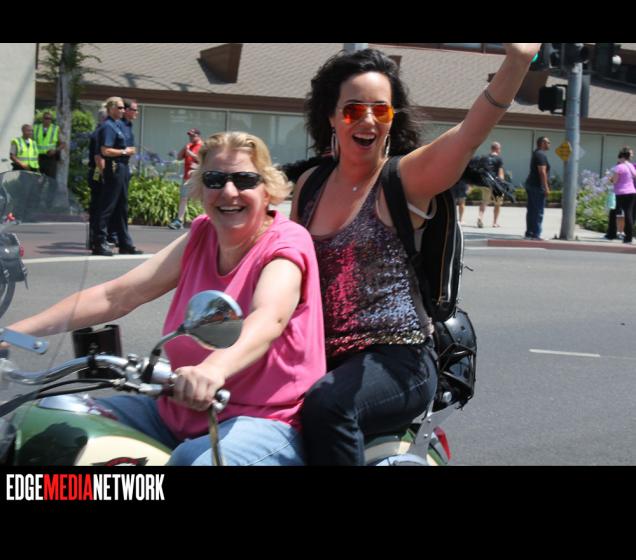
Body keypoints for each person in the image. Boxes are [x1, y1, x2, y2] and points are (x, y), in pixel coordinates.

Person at [5, 131, 326, 466]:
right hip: (174, 413)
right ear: (201, 187)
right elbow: (118, 295)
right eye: (215, 180)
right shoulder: (202, 234)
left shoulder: (286, 242)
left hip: (263, 421)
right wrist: (12, 334)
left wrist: (213, 369)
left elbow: (269, 318)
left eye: (245, 179)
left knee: (192, 461)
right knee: (54, 423)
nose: (229, 192)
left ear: (267, 188)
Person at [290, 44, 540, 465]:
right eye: (353, 110)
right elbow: (286, 272)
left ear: (393, 118)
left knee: (328, 407)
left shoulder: (405, 179)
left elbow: (470, 132)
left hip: (398, 359)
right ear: (331, 116)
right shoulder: (310, 185)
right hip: (321, 354)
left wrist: (517, 60)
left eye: (380, 110)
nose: (368, 119)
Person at [93, 97, 140, 256]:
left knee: (122, 207)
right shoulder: (108, 126)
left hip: (123, 167)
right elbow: (105, 151)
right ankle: (99, 242)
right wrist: (125, 151)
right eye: (119, 108)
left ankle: (125, 243)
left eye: (123, 108)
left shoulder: (117, 125)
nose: (122, 110)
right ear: (111, 108)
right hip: (114, 166)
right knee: (107, 206)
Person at [169, 128, 203, 230]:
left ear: (198, 136)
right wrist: (184, 148)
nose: (190, 138)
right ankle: (179, 221)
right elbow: (179, 157)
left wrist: (191, 154)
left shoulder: (203, 146)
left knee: (200, 199)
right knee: (183, 198)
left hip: (197, 177)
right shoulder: (189, 146)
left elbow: (203, 160)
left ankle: (202, 221)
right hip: (186, 177)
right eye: (189, 136)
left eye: (193, 136)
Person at [524, 136, 551, 240]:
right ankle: (536, 234)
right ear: (542, 143)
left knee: (531, 210)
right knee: (538, 211)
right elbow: (542, 172)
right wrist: (546, 187)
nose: (549, 144)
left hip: (531, 184)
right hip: (537, 186)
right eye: (548, 142)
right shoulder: (541, 155)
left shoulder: (536, 153)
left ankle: (529, 233)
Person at [607, 147, 636, 244]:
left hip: (621, 193)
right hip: (632, 192)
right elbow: (634, 176)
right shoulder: (631, 166)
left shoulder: (619, 167)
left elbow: (615, 181)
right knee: (629, 214)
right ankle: (629, 237)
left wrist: (610, 178)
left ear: (621, 156)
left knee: (616, 212)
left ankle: (612, 233)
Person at [475, 141, 505, 228]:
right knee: (497, 203)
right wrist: (502, 183)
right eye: (500, 149)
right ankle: (494, 223)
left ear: (491, 148)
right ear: (497, 149)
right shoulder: (499, 159)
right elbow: (500, 173)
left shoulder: (484, 158)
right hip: (495, 183)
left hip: (485, 182)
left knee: (484, 201)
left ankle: (480, 217)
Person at [33, 111, 65, 179]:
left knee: (50, 179)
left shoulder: (56, 129)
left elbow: (63, 144)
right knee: (36, 178)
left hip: (50, 157)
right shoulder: (36, 128)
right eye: (46, 118)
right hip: (38, 157)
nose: (48, 120)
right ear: (42, 119)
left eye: (50, 119)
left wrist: (55, 150)